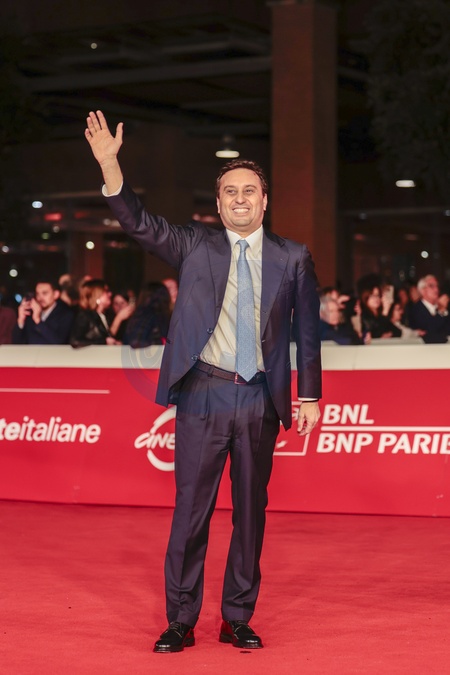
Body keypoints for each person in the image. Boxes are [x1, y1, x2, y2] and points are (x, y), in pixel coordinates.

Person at [85, 110, 322, 653]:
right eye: (230, 192)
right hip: (202, 393)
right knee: (191, 511)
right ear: (217, 204)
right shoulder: (194, 245)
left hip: (261, 398)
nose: (240, 199)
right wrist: (110, 167)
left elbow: (307, 331)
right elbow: (139, 224)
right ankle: (181, 620)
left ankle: (237, 616)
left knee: (250, 514)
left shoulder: (293, 257)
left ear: (265, 200)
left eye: (249, 191)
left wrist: (309, 394)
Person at [70, 279, 119, 347]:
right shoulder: (85, 316)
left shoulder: (104, 316)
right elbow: (75, 341)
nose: (110, 294)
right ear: (96, 295)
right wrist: (104, 342)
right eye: (106, 291)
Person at [123, 282, 171, 348]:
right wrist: (161, 342)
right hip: (145, 353)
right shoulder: (148, 315)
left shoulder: (141, 315)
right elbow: (136, 341)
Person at [408, 275, 450, 343]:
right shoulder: (416, 309)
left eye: (437, 286)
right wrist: (441, 311)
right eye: (431, 286)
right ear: (422, 291)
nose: (436, 290)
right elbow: (429, 332)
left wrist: (443, 310)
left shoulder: (442, 307)